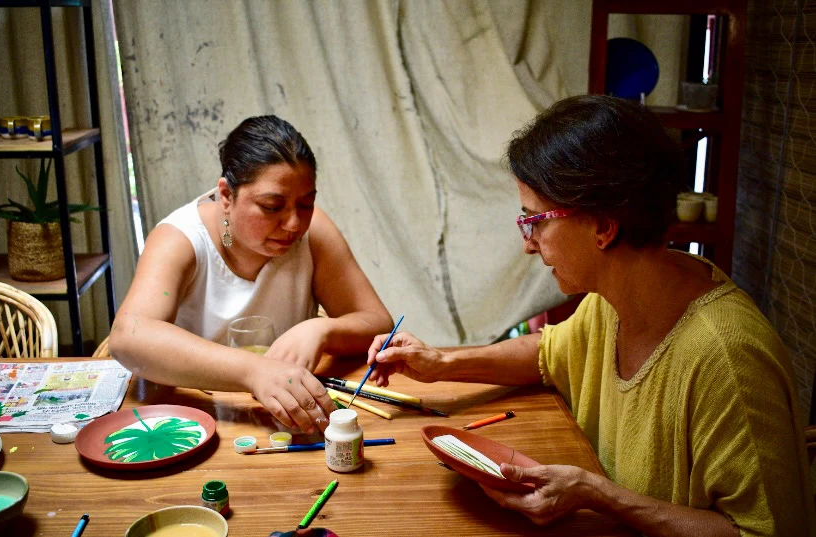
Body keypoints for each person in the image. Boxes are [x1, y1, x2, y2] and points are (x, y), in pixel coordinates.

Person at [366, 96, 815, 536]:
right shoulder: (617, 297)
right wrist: (441, 363)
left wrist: (601, 495)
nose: (528, 243)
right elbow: (548, 352)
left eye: (536, 220)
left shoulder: (729, 360)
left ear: (602, 226)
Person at [110, 115, 393, 435]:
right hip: (200, 420)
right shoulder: (181, 238)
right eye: (272, 206)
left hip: (286, 419)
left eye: (306, 204)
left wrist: (322, 329)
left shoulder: (313, 232)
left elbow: (379, 323)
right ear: (226, 196)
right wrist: (255, 371)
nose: (294, 224)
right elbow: (128, 336)